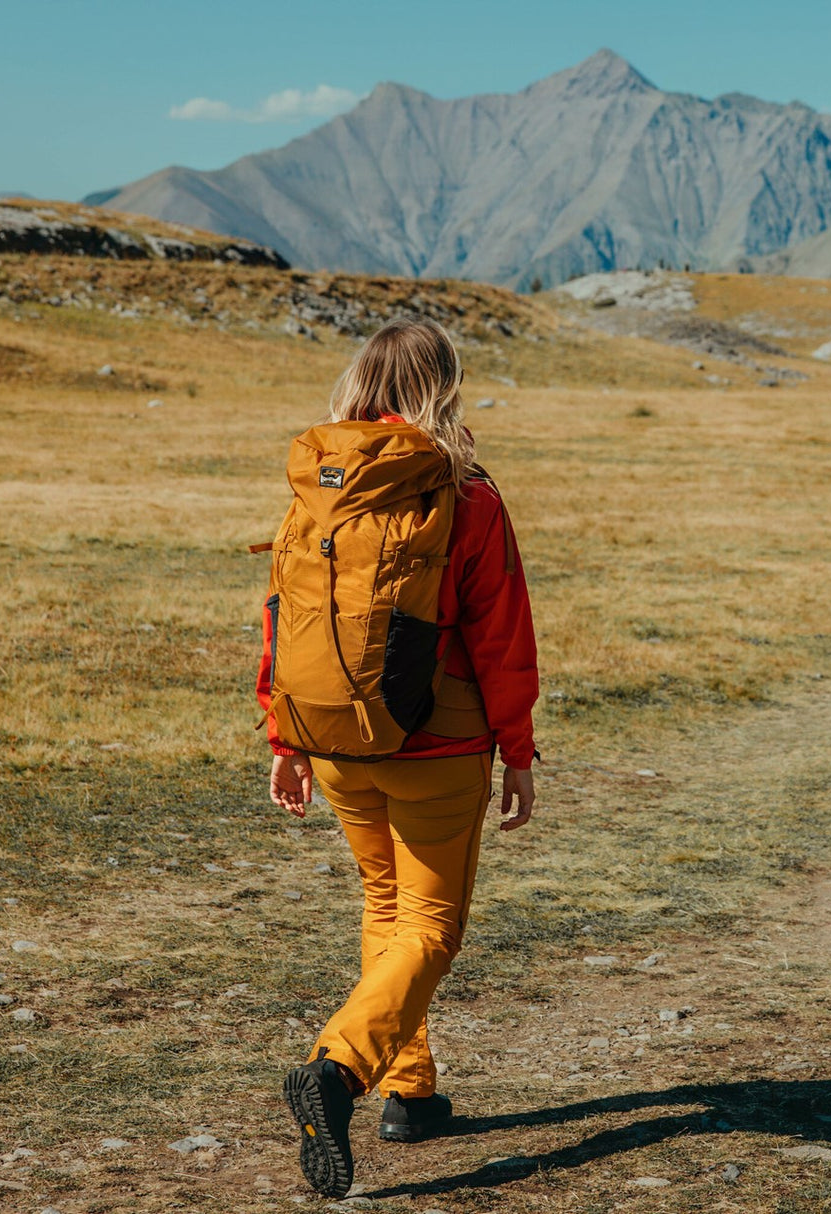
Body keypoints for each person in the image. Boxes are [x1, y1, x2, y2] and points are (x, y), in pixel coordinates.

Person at [256, 318, 539, 1197]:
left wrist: (284, 731)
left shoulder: (319, 488)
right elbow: (500, 636)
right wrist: (519, 751)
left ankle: (410, 1092)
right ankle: (339, 1069)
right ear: (441, 387)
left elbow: (283, 612)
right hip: (438, 743)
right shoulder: (466, 493)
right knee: (430, 927)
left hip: (334, 737)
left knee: (387, 904)